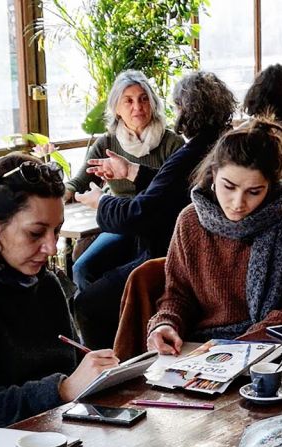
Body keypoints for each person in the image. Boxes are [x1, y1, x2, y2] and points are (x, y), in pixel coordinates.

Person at [0, 153, 119, 429]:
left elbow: (69, 364)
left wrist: (97, 374)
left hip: (50, 434)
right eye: (35, 233)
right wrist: (62, 390)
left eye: (56, 230)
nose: (52, 247)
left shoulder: (46, 283)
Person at [73, 72, 236, 349]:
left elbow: (141, 212)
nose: (137, 107)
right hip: (194, 248)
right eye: (128, 101)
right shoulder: (219, 143)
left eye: (178, 107)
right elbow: (172, 187)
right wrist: (131, 170)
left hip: (174, 256)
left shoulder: (185, 150)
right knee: (87, 267)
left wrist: (101, 202)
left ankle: (109, 369)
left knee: (86, 304)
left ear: (187, 110)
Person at [146, 119, 282, 354]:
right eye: (229, 186)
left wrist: (241, 345)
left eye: (254, 192)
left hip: (271, 346)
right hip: (200, 349)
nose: (238, 203)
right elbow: (178, 294)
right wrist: (166, 323)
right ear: (214, 174)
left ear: (271, 186)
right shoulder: (190, 221)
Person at [67, 70, 184, 293]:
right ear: (117, 109)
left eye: (143, 99)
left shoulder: (173, 143)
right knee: (82, 269)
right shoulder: (107, 142)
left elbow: (174, 191)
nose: (137, 107)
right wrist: (62, 192)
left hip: (159, 227)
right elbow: (80, 181)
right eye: (128, 101)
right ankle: (100, 323)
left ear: (153, 103)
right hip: (121, 222)